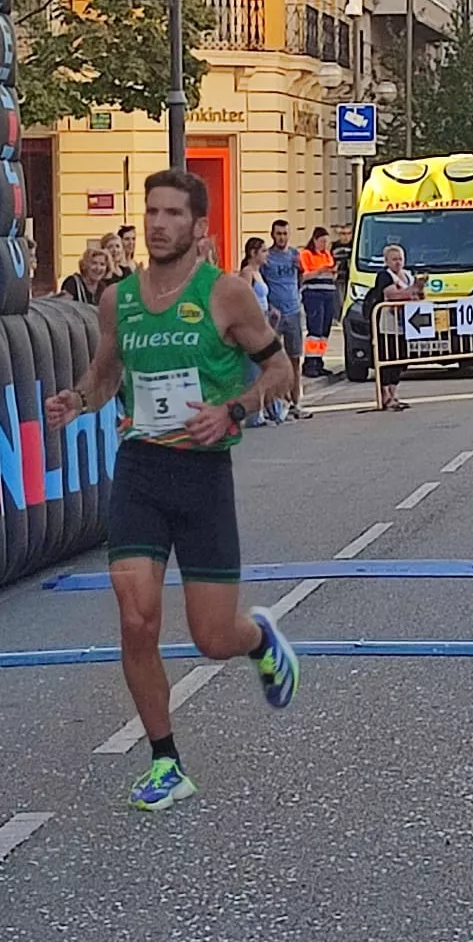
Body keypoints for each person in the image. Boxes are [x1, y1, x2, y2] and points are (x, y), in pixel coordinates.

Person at [44, 169, 301, 812]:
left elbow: (282, 370)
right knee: (137, 619)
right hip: (142, 470)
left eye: (173, 214)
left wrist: (235, 411)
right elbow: (105, 376)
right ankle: (165, 760)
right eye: (152, 212)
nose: (159, 224)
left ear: (198, 226)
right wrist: (78, 399)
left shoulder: (228, 295)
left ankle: (260, 640)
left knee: (212, 637)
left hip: (203, 473)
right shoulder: (117, 299)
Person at [364, 242, 420, 412]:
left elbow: (417, 295)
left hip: (405, 324)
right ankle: (384, 395)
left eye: (400, 259)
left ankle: (394, 394)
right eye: (394, 259)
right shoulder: (384, 276)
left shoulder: (408, 276)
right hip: (387, 324)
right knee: (386, 358)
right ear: (387, 261)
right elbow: (392, 294)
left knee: (400, 359)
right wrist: (413, 289)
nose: (398, 262)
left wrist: (419, 289)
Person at [261, 218, 309, 418]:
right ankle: (277, 402)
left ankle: (296, 402)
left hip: (294, 312)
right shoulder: (267, 258)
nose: (282, 237)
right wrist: (271, 306)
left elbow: (300, 277)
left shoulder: (294, 255)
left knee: (295, 359)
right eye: (278, 234)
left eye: (285, 234)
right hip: (275, 315)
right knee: (274, 360)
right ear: (272, 235)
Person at [237, 238, 280, 428]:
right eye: (263, 251)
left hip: (264, 319)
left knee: (264, 368)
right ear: (253, 253)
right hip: (254, 323)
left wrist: (271, 309)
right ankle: (254, 414)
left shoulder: (258, 272)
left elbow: (262, 297)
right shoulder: (247, 272)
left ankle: (265, 410)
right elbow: (244, 298)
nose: (266, 254)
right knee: (254, 370)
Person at [299, 226, 338, 378]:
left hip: (328, 293)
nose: (324, 246)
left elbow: (331, 274)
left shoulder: (327, 254)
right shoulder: (306, 254)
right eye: (322, 242)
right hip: (314, 294)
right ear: (314, 240)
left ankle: (319, 360)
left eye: (326, 243)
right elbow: (304, 275)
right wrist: (320, 270)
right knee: (315, 330)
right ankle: (310, 362)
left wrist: (332, 272)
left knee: (324, 331)